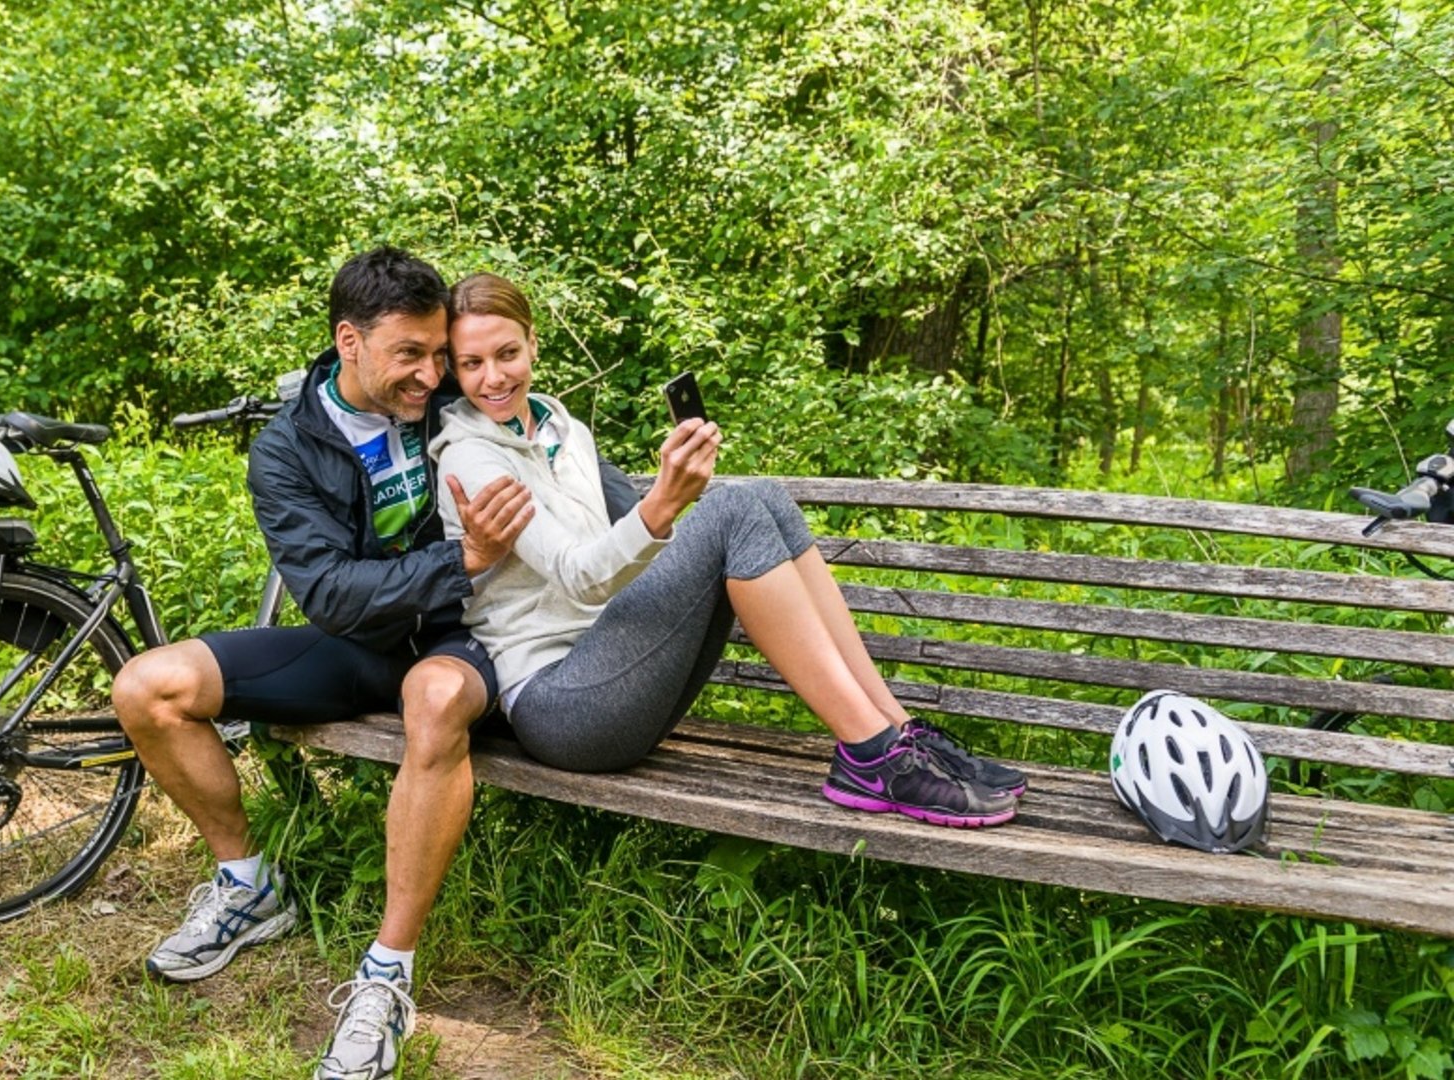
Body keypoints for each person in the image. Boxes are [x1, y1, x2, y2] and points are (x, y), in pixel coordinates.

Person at [111, 249, 642, 1080]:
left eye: (440, 353)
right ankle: (249, 884)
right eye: (411, 355)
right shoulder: (287, 451)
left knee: (433, 697)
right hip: (356, 640)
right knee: (148, 686)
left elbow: (572, 473)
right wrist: (460, 557)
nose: (432, 375)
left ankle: (387, 972)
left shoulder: (455, 405)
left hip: (456, 638)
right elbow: (326, 591)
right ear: (348, 341)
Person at [431, 272, 1027, 822]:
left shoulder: (565, 430)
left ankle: (895, 734)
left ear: (533, 343)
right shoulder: (469, 457)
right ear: (454, 371)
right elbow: (578, 575)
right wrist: (664, 503)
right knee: (732, 509)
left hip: (621, 666)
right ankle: (870, 756)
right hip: (559, 705)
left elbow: (625, 559)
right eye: (472, 363)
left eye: (507, 353)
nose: (494, 377)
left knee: (762, 495)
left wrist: (676, 513)